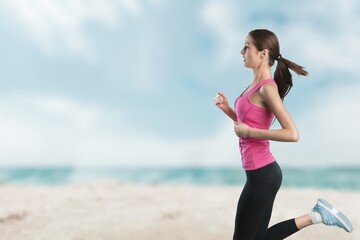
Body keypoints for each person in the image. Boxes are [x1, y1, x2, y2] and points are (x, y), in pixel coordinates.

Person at [215, 29, 353, 240]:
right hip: (262, 174)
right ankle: (316, 216)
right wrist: (227, 109)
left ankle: (317, 215)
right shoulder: (255, 86)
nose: (242, 51)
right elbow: (248, 124)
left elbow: (292, 133)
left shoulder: (267, 89)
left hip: (262, 174)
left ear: (263, 54)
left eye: (247, 46)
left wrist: (250, 131)